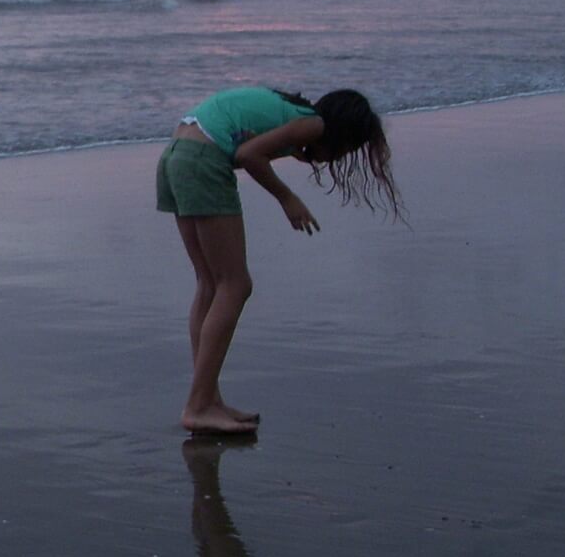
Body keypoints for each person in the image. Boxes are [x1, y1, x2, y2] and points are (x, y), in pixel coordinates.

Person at [155, 87, 403, 434]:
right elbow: (248, 153)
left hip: (176, 155)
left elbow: (245, 137)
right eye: (346, 148)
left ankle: (207, 399)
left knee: (210, 284)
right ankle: (197, 406)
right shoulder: (313, 125)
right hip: (203, 161)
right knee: (236, 285)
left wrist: (289, 151)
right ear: (341, 131)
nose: (337, 158)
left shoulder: (295, 116)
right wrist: (288, 199)